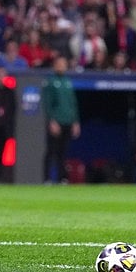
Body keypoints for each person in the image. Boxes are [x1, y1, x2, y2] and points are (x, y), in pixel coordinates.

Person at [41, 55, 79, 183]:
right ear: (55, 65)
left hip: (68, 121)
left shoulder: (68, 82)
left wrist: (75, 121)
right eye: (60, 63)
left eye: (64, 64)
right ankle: (47, 179)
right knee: (51, 151)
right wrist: (52, 120)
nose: (62, 66)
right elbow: (48, 103)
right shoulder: (51, 82)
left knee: (63, 152)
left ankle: (62, 178)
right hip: (56, 121)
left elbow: (73, 103)